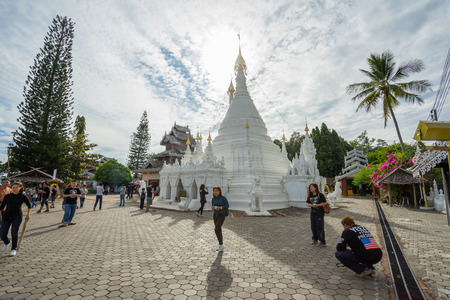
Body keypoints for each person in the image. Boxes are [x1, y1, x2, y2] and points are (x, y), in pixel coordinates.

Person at [0, 182, 31, 256]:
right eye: (13, 187)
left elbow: (29, 206)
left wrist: (28, 214)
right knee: (2, 234)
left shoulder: (23, 196)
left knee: (14, 233)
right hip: (6, 216)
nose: (14, 189)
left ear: (20, 188)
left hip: (17, 216)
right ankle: (7, 242)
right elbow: (2, 207)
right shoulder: (7, 196)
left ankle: (13, 249)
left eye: (16, 187)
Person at [211, 186, 229, 252]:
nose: (215, 192)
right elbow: (212, 206)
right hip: (215, 215)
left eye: (216, 191)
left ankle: (220, 244)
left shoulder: (223, 198)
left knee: (216, 229)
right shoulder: (213, 199)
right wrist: (213, 208)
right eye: (214, 191)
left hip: (222, 215)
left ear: (219, 191)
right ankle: (221, 244)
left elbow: (227, 205)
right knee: (219, 230)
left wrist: (220, 207)